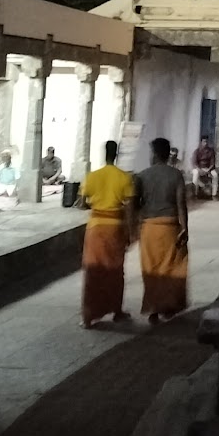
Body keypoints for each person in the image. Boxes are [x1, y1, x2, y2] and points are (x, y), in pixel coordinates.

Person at [78, 140, 136, 328]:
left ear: (105, 153)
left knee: (93, 270)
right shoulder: (124, 177)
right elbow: (129, 208)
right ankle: (116, 311)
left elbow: (82, 202)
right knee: (116, 270)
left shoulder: (93, 176)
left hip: (95, 228)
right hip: (114, 227)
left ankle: (88, 317)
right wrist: (129, 231)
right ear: (117, 154)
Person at [134, 137, 189, 323]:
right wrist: (185, 227)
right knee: (172, 268)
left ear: (155, 154)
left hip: (149, 228)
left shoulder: (141, 176)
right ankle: (169, 306)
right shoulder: (176, 175)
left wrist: (135, 225)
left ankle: (153, 309)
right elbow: (181, 204)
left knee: (151, 270)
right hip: (170, 227)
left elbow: (134, 205)